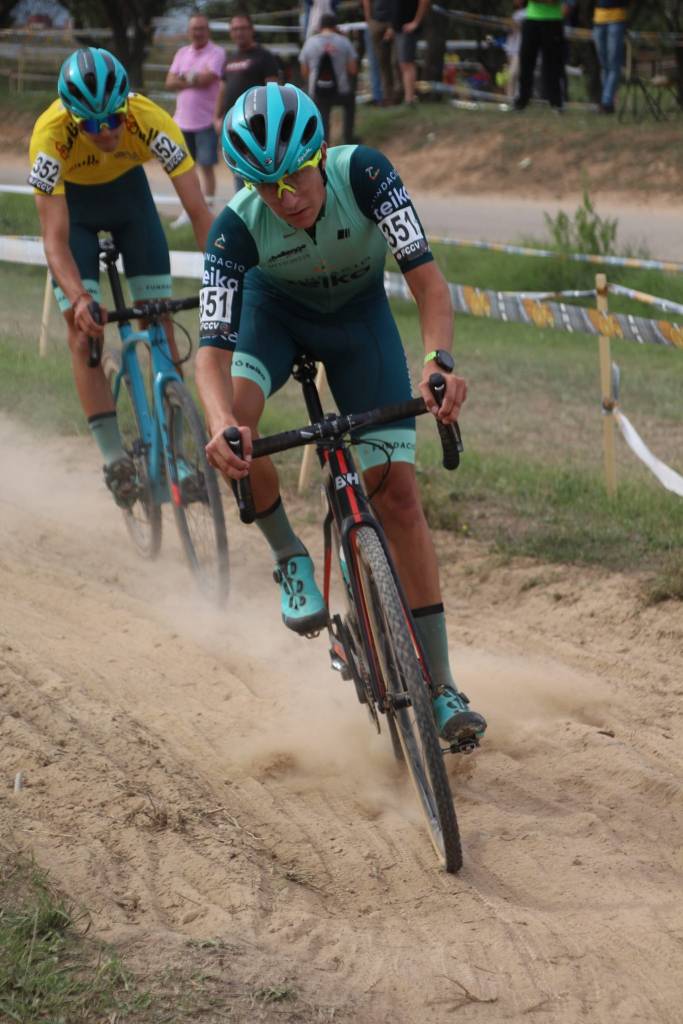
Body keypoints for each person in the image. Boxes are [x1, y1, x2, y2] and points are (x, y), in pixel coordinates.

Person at [195, 83, 487, 749]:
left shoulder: (367, 175)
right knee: (239, 420)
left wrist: (438, 363)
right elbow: (211, 354)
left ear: (320, 154)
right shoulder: (235, 227)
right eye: (266, 186)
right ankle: (287, 554)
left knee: (400, 498)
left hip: (359, 322)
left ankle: (442, 685)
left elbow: (427, 282)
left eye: (296, 176)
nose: (286, 197)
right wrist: (217, 423)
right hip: (272, 318)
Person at [28, 47, 213, 506]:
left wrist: (222, 275)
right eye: (91, 125)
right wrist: (79, 299)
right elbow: (54, 241)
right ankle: (114, 459)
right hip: (75, 216)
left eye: (113, 119)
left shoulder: (149, 119)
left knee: (160, 318)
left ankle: (175, 454)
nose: (106, 131)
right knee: (82, 332)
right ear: (73, 120)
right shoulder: (49, 135)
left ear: (126, 106)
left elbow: (198, 211)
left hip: (132, 205)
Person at [165, 11, 226, 227]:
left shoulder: (217, 52)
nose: (197, 32)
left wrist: (183, 77)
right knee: (184, 169)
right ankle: (188, 210)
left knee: (206, 166)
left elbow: (208, 78)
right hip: (182, 122)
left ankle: (207, 210)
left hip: (206, 122)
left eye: (201, 28)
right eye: (194, 29)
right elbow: (169, 82)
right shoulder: (182, 53)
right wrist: (193, 77)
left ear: (207, 30)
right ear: (189, 31)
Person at [213, 12, 280, 191]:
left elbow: (273, 90)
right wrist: (217, 117)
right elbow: (222, 89)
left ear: (251, 30)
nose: (239, 32)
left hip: (257, 126)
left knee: (259, 168)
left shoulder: (264, 56)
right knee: (238, 168)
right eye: (235, 29)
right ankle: (243, 203)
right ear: (230, 32)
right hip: (232, 125)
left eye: (243, 28)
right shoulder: (230, 58)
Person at [300, 13, 358, 144]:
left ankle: (325, 144)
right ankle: (348, 137)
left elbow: (304, 72)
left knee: (323, 115)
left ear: (320, 27)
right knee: (350, 103)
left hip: (318, 92)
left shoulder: (310, 43)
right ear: (335, 26)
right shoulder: (344, 42)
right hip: (341, 92)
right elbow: (353, 69)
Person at [514, 0, 566, 112]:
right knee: (526, 62)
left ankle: (556, 103)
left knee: (553, 64)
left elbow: (552, 2)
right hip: (531, 19)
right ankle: (522, 101)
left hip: (553, 21)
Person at [593, 0, 630, 114]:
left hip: (617, 18)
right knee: (604, 65)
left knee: (614, 64)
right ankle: (607, 103)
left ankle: (606, 102)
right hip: (599, 18)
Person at [362, 0, 400, 106]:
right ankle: (386, 96)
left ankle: (398, 94)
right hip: (376, 22)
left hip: (394, 23)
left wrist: (392, 26)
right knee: (381, 62)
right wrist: (369, 20)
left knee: (395, 62)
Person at [393, 0, 430, 106]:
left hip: (407, 27)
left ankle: (410, 99)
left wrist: (416, 22)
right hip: (398, 27)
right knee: (402, 63)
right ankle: (407, 97)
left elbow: (424, 1)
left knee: (407, 63)